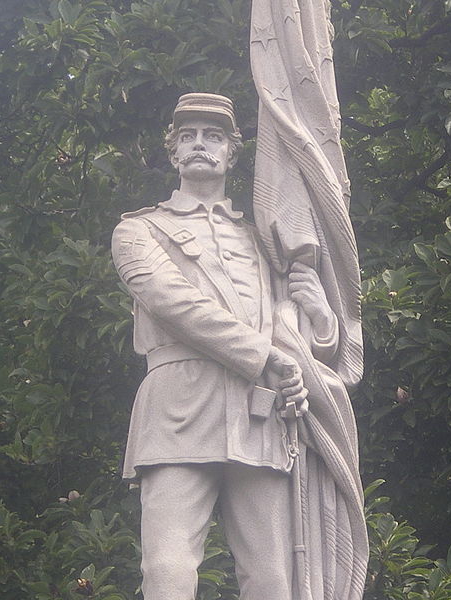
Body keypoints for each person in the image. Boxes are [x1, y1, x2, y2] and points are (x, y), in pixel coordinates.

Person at [111, 93, 337, 600]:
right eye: (187, 136)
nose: (199, 145)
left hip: (258, 412)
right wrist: (268, 358)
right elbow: (173, 303)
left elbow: (292, 332)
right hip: (178, 406)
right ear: (172, 152)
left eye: (213, 136)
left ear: (232, 153)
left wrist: (318, 320)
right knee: (167, 568)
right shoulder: (138, 230)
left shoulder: (263, 242)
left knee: (273, 574)